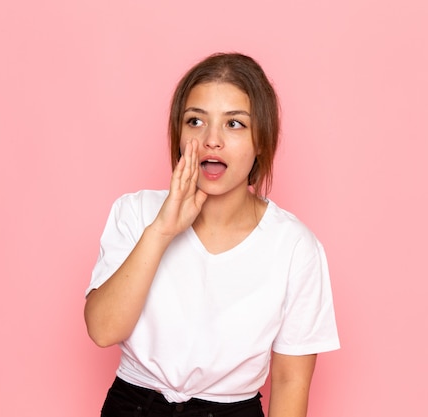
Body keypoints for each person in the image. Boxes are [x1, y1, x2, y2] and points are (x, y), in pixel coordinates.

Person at [84, 52, 340, 417]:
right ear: (178, 133)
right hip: (133, 406)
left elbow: (289, 381)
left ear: (262, 141)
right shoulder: (135, 212)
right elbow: (102, 330)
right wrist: (161, 230)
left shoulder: (295, 247)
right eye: (195, 121)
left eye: (234, 124)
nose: (211, 140)